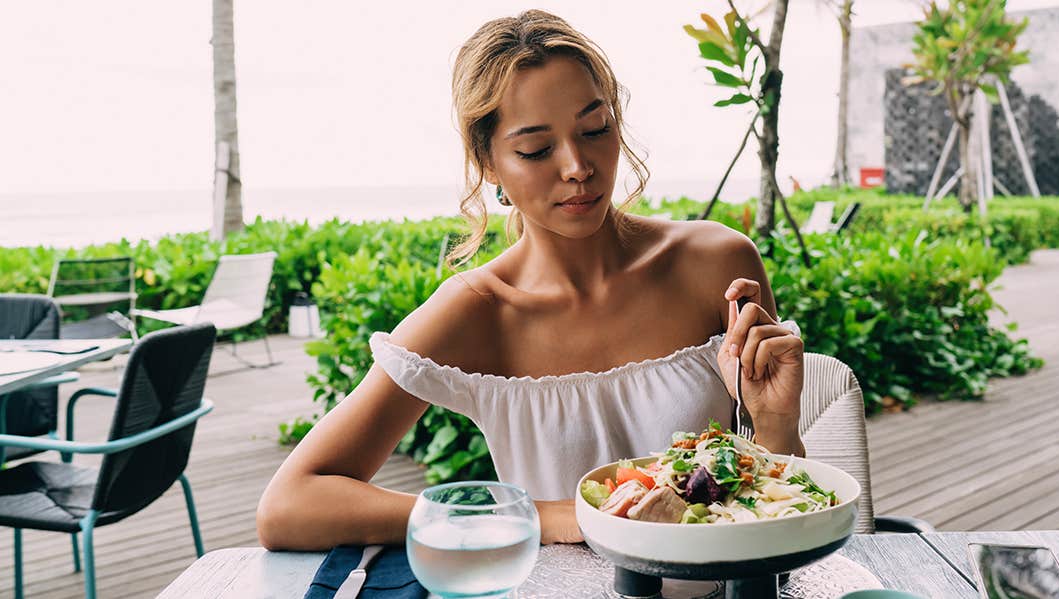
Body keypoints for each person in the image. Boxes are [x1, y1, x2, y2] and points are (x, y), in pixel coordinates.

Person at [257, 9, 805, 550]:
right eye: (535, 149)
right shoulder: (478, 310)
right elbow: (290, 506)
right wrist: (544, 517)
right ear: (488, 163)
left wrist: (776, 425)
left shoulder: (715, 262)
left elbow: (785, 504)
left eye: (595, 129)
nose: (576, 166)